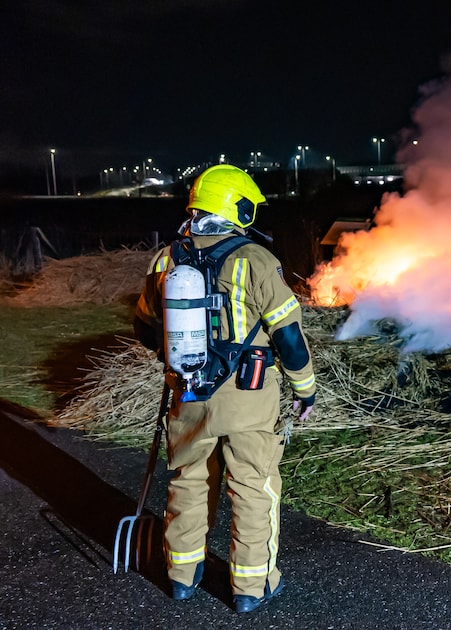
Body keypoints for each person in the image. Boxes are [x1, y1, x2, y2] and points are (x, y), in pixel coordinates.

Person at [133, 164, 317, 613]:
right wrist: (305, 389)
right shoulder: (255, 259)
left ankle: (181, 575)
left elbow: (143, 325)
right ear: (236, 205)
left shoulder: (166, 260)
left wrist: (173, 361)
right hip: (248, 397)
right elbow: (288, 337)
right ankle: (252, 588)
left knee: (189, 480)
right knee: (254, 486)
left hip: (189, 393)